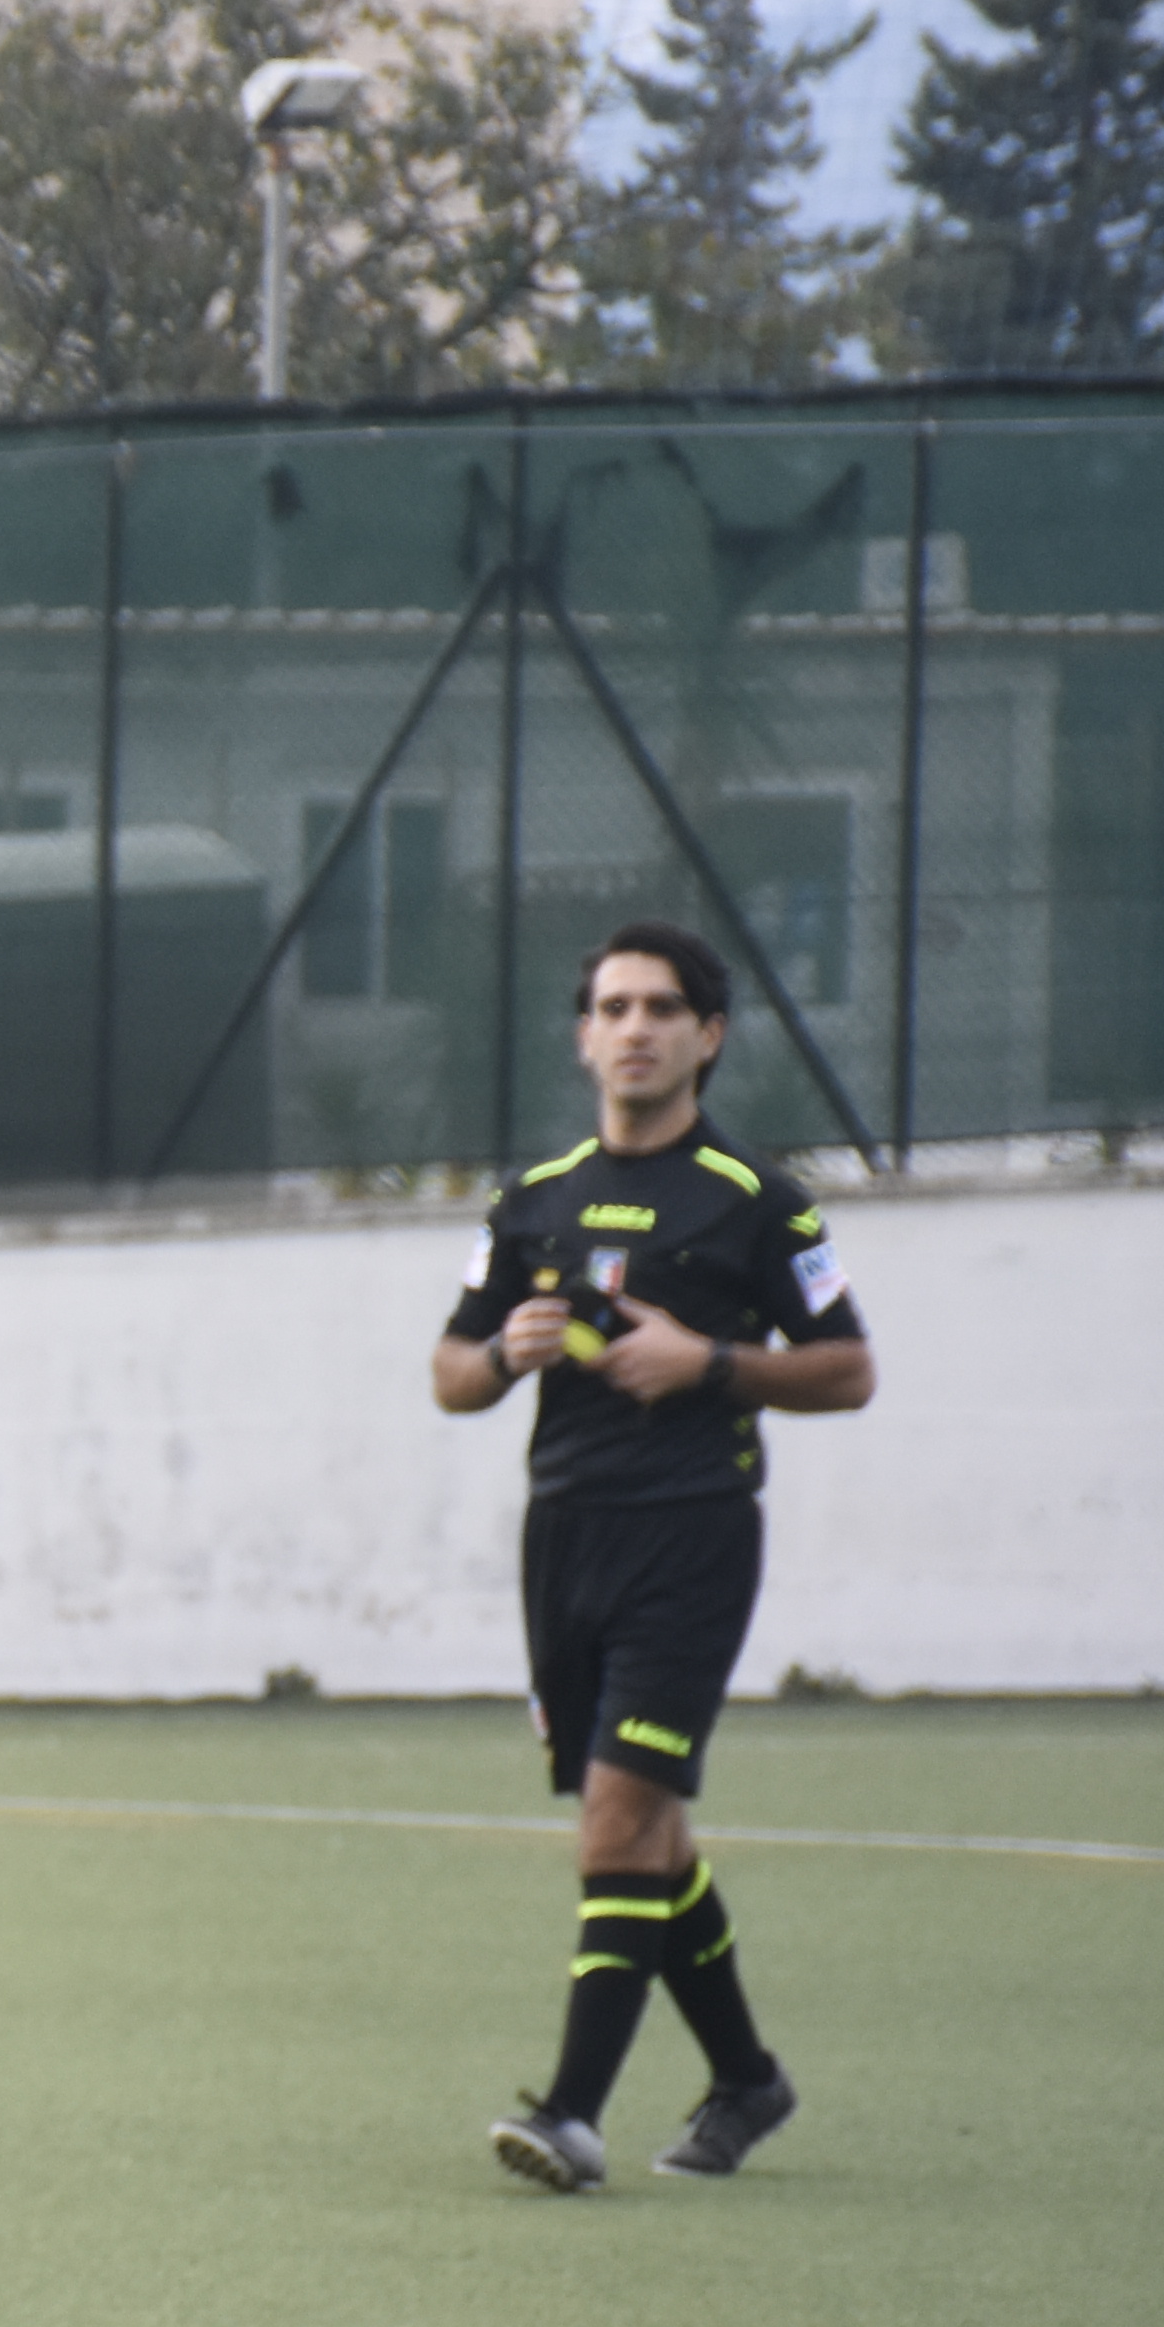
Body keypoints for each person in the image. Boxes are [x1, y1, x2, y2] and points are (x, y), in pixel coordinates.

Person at [433, 918, 876, 2192]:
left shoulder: (758, 1204)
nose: (635, 1029)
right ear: (585, 1037)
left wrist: (713, 1364)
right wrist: (504, 1354)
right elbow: (450, 1372)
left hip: (693, 1535)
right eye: (613, 1007)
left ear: (708, 1036)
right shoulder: (534, 1203)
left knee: (622, 1815)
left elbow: (850, 1370)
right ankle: (748, 2079)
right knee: (638, 1827)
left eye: (661, 1008)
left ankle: (572, 2115)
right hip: (562, 1538)